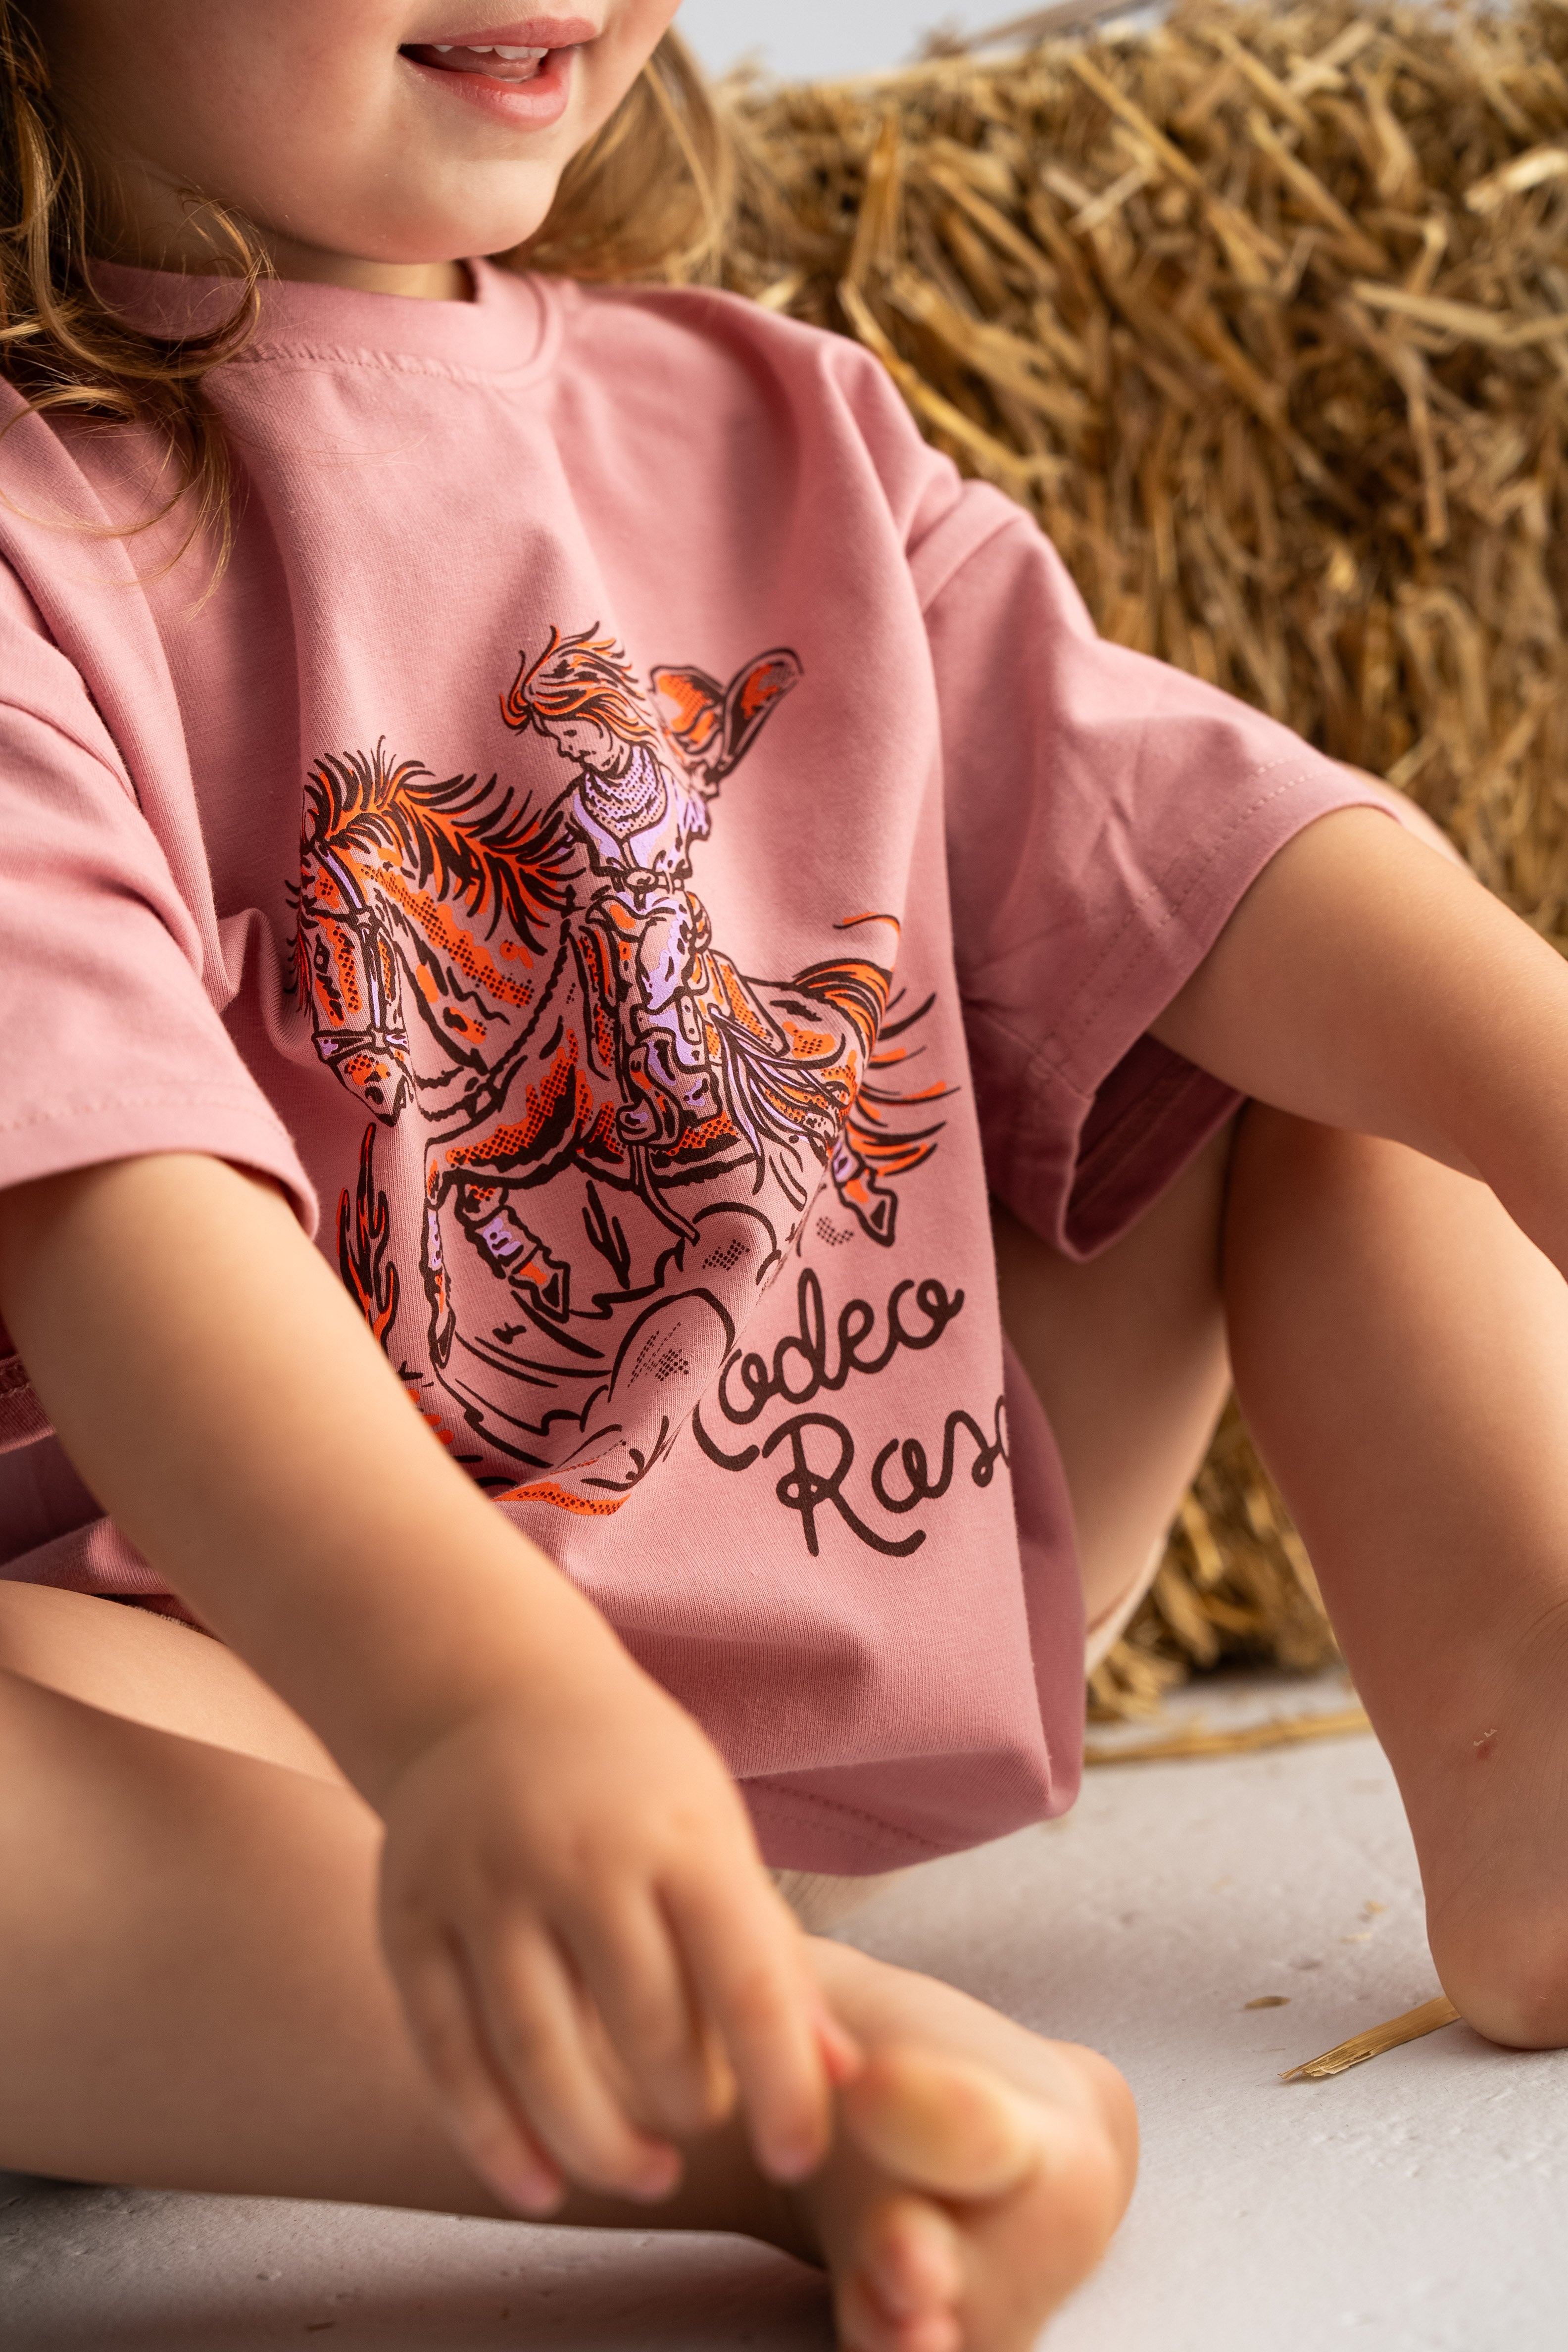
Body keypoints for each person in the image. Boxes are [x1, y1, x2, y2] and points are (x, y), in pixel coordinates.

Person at [0, 7, 1565, 2349]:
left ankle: (1531, 1716)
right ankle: (778, 2100)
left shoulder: (778, 420)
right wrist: (471, 1709)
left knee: (1265, 986)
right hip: (289, 1715)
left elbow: (1191, 843)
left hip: (840, 1517)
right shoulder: (37, 536)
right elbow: (112, 1202)